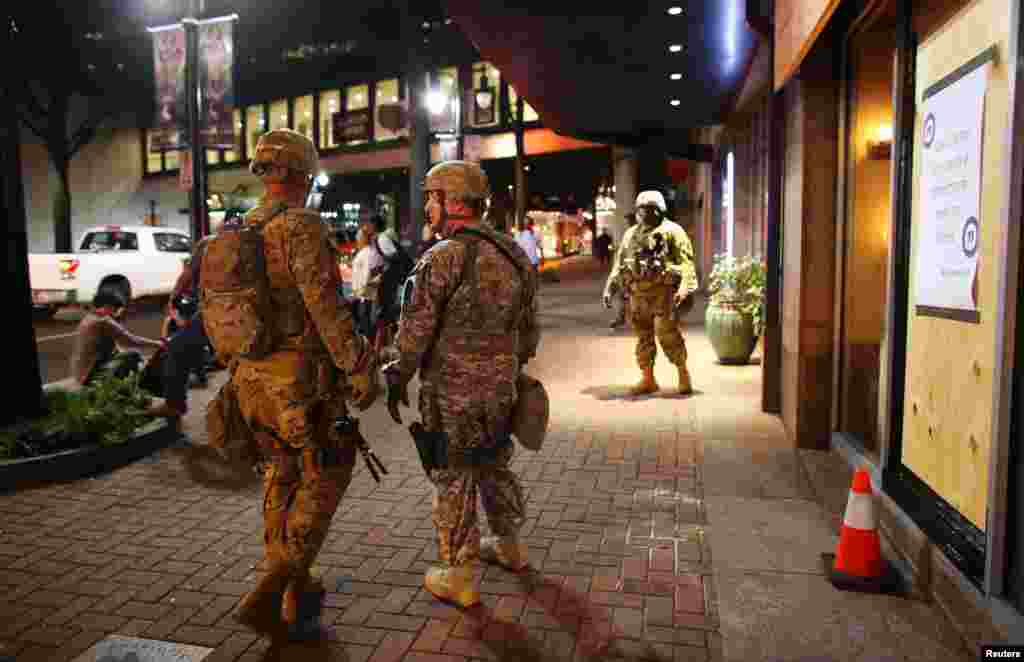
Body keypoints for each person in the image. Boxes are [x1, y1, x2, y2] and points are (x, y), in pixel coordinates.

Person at [208, 129, 378, 639]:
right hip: (297, 383)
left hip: (250, 382)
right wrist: (357, 366)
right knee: (327, 472)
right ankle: (279, 574)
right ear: (303, 172)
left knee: (281, 476)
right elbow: (326, 307)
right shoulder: (300, 227)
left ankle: (293, 591)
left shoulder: (243, 226)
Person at [384, 160, 540, 608]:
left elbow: (413, 334)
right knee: (493, 462)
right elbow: (529, 333)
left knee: (453, 474)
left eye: (431, 197)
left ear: (451, 201)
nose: (427, 207)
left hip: (452, 393)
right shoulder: (514, 254)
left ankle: (460, 573)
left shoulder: (442, 257)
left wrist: (398, 376)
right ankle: (510, 546)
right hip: (501, 388)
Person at [602, 191, 698, 395]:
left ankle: (683, 372)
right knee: (643, 337)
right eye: (642, 209)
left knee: (667, 334)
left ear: (659, 210)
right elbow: (619, 265)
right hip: (638, 295)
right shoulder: (631, 234)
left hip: (663, 294)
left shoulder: (673, 231)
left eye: (650, 208)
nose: (645, 213)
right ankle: (648, 378)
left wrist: (683, 288)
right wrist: (610, 287)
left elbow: (687, 265)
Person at [69, 289, 165, 387]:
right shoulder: (104, 321)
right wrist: (157, 343)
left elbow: (112, 346)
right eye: (115, 309)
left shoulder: (88, 318)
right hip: (89, 376)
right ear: (107, 306)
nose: (117, 312)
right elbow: (132, 340)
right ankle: (134, 387)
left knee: (127, 355)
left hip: (79, 374)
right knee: (133, 356)